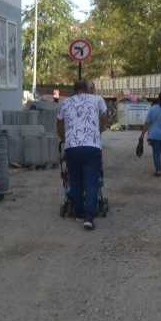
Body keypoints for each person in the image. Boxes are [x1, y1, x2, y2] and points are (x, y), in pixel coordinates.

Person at [57, 80, 108, 230]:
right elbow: (104, 118)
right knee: (91, 182)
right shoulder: (97, 99)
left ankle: (79, 212)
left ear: (74, 90)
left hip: (72, 148)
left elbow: (59, 125)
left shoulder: (64, 103)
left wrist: (66, 139)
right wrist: (96, 131)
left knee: (75, 181)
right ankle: (89, 217)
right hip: (92, 147)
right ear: (87, 89)